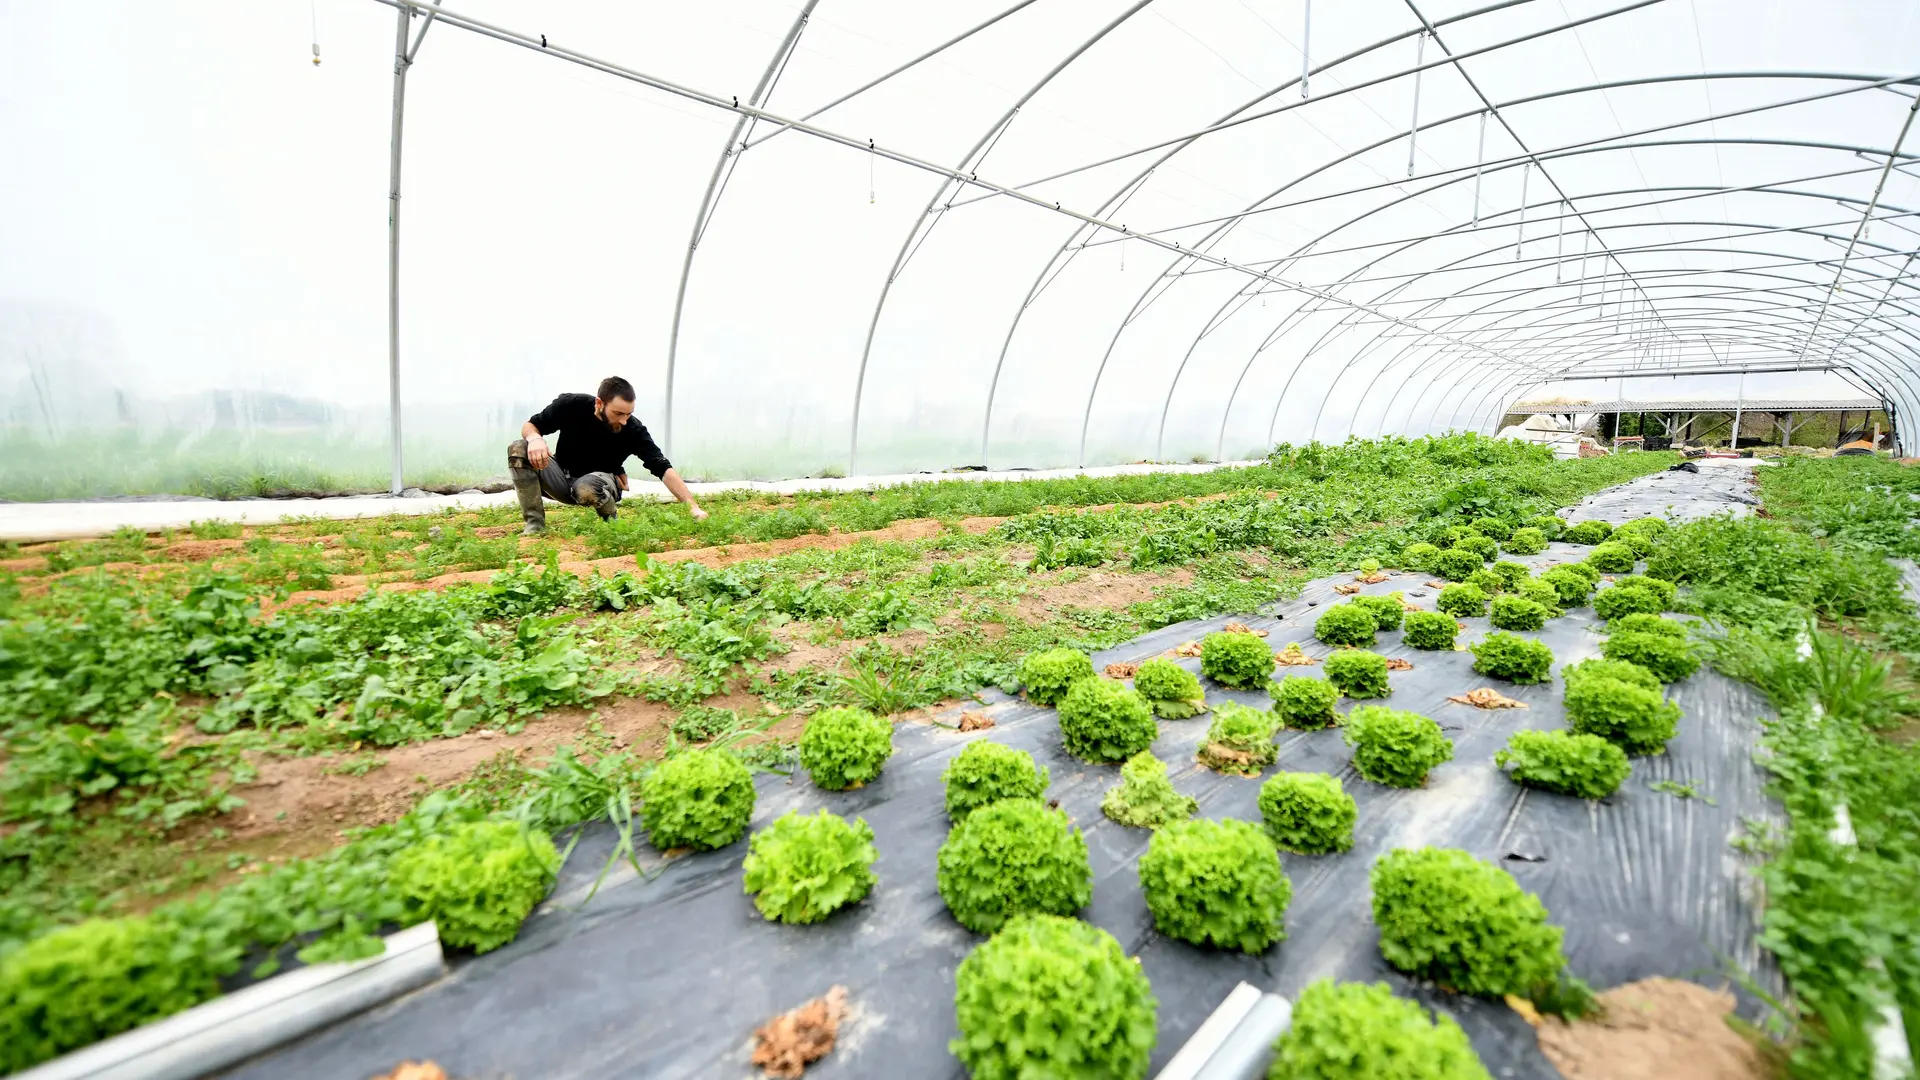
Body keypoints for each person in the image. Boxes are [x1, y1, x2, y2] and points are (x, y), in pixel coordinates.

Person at [507, 376, 707, 535]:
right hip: (561, 475)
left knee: (587, 486)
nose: (625, 420)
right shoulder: (571, 405)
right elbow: (532, 424)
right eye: (618, 413)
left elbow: (662, 467)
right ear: (599, 403)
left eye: (629, 414)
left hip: (600, 483)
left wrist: (693, 507)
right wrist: (534, 438)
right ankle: (535, 526)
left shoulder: (634, 430)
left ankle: (612, 525)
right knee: (518, 448)